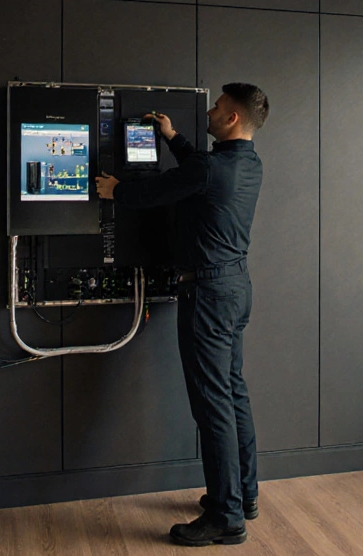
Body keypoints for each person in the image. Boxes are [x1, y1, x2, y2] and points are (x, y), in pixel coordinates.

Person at [95, 83, 269, 547]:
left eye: (217, 108)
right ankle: (244, 494)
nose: (210, 112)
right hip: (235, 287)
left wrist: (117, 191)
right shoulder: (247, 163)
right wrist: (172, 137)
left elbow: (161, 189)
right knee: (232, 392)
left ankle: (226, 518)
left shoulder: (212, 170)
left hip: (208, 293)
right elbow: (197, 171)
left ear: (232, 118)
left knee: (212, 404)